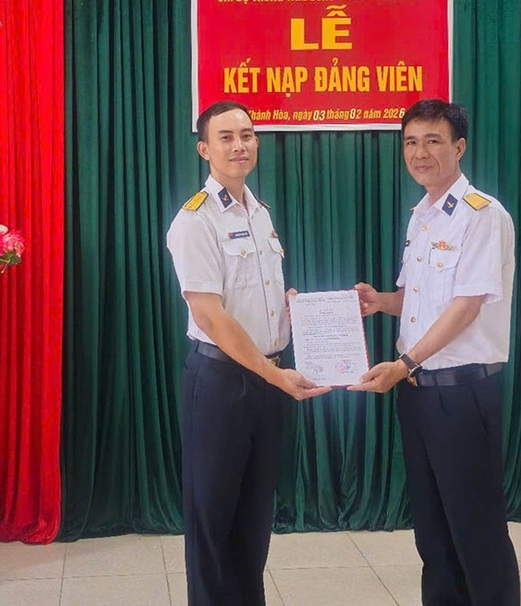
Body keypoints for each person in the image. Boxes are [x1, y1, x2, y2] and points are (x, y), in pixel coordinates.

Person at [349, 99, 520, 605]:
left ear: (459, 147)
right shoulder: (422, 216)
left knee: (476, 529)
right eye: (410, 142)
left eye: (433, 141)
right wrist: (381, 302)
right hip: (418, 393)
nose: (420, 153)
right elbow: (420, 299)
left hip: (461, 394)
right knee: (432, 530)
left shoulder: (482, 216)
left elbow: (466, 306)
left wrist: (404, 362)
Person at [166, 100, 330, 606]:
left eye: (247, 135)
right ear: (204, 150)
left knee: (255, 518)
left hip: (267, 380)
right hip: (221, 384)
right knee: (214, 520)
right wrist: (273, 375)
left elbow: (256, 298)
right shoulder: (195, 220)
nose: (240, 146)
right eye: (226, 137)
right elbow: (211, 316)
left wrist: (291, 310)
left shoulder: (260, 213)